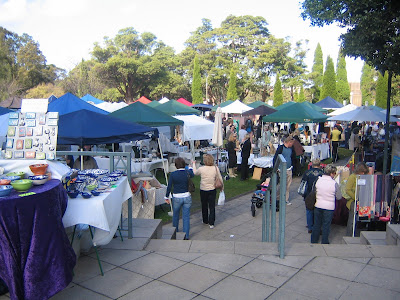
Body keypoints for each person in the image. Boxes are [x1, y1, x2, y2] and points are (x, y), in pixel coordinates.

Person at [311, 164, 342, 244]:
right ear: (332, 173)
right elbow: (339, 197)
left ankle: (314, 240)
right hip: (329, 207)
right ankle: (324, 241)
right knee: (326, 225)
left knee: (316, 224)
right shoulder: (334, 183)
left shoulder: (318, 180)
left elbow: (314, 191)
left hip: (318, 205)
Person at [165, 157, 194, 240]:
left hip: (177, 197)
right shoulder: (187, 172)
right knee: (186, 217)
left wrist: (166, 196)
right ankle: (186, 235)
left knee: (175, 216)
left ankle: (175, 232)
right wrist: (191, 166)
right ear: (184, 165)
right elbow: (192, 173)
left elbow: (169, 186)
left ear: (175, 165)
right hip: (187, 196)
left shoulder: (173, 174)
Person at [192, 154, 224, 229]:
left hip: (203, 189)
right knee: (212, 206)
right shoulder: (215, 168)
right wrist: (222, 187)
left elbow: (195, 173)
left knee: (204, 205)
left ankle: (205, 220)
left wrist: (193, 164)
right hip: (212, 189)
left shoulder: (201, 168)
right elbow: (220, 178)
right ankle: (211, 223)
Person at [344, 162, 369, 236]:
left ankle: (356, 233)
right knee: (351, 220)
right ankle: (349, 235)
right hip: (353, 202)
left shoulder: (364, 177)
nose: (363, 173)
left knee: (358, 220)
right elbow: (347, 189)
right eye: (362, 172)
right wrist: (355, 198)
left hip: (362, 201)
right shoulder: (352, 177)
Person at [301, 159, 324, 233]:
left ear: (312, 164)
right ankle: (317, 226)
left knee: (309, 210)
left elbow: (303, 183)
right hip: (319, 194)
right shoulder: (322, 173)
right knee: (318, 211)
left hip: (309, 194)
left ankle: (310, 227)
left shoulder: (307, 172)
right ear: (320, 164)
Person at [273, 136, 295, 205]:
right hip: (281, 169)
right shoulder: (281, 148)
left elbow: (292, 157)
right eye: (292, 143)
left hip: (289, 168)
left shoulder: (291, 148)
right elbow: (276, 157)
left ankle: (286, 199)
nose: (292, 144)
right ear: (289, 142)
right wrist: (275, 168)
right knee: (282, 185)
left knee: (288, 185)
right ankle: (277, 198)